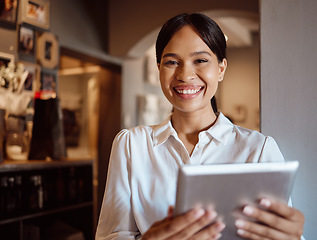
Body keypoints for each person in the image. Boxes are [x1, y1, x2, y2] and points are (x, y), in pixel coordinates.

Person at [95, 13, 305, 239]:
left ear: (221, 68)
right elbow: (110, 235)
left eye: (200, 60)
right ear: (159, 69)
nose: (185, 75)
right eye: (172, 62)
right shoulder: (131, 145)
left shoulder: (258, 149)